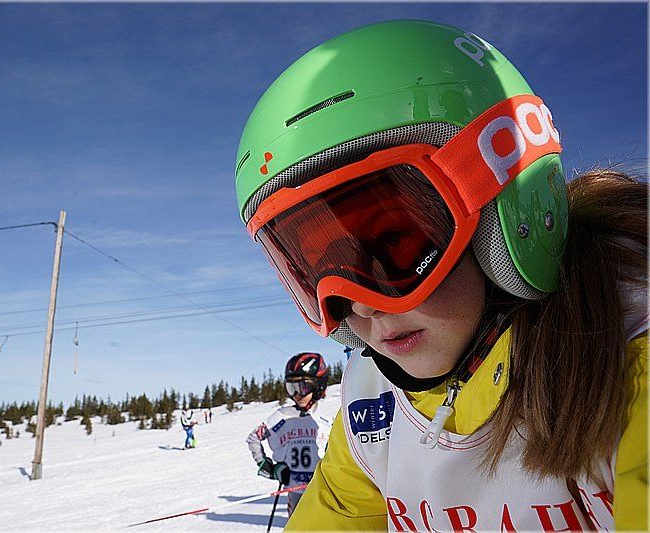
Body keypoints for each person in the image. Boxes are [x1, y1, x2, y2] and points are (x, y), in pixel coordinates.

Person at [234, 20, 647, 531]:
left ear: (502, 209)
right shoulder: (373, 402)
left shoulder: (626, 367)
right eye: (317, 273)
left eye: (394, 241)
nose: (359, 304)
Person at [247, 352, 333, 517]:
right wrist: (268, 467)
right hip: (295, 491)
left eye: (303, 387)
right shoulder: (281, 417)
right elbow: (253, 438)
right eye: (291, 388)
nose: (297, 394)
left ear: (318, 386)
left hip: (325, 491)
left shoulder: (327, 418)